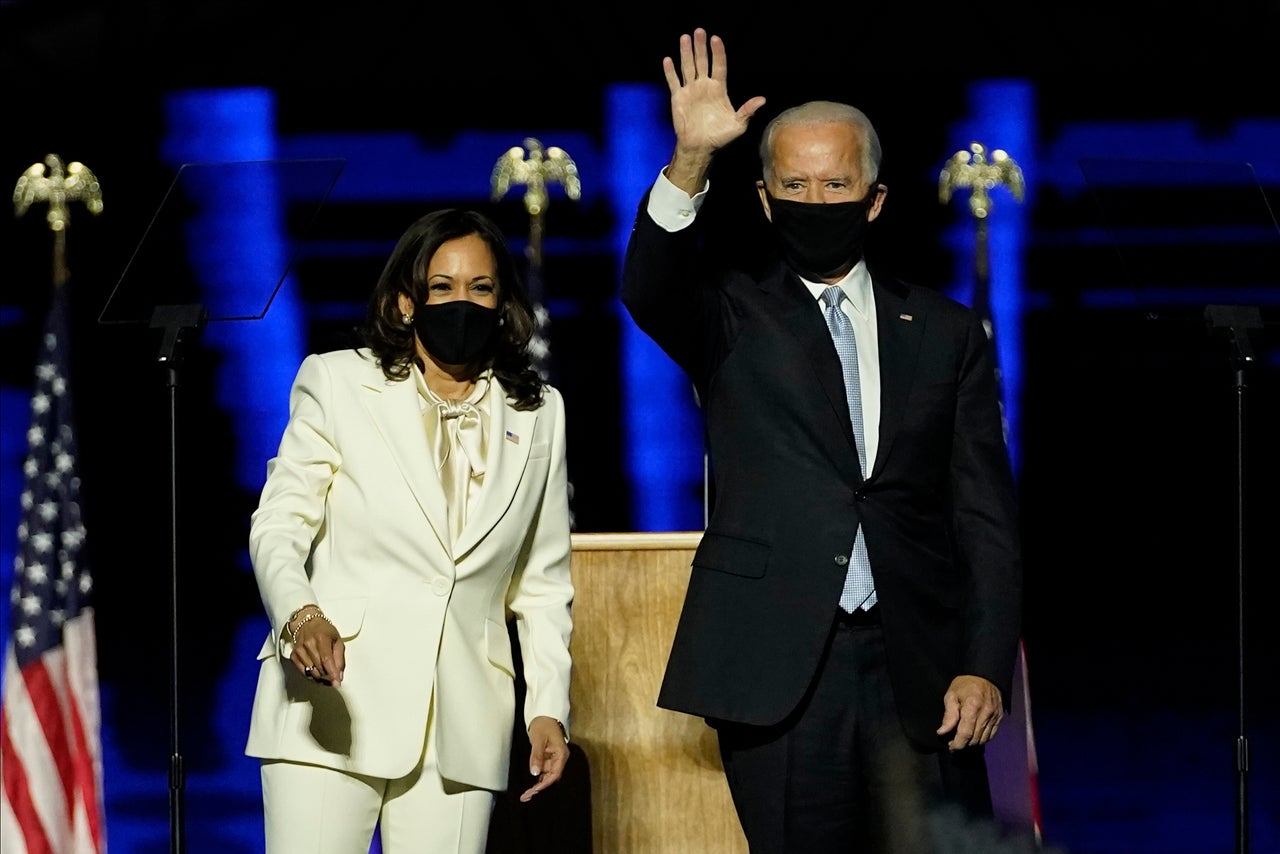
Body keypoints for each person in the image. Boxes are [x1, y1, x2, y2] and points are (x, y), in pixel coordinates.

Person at [620, 28, 1024, 853]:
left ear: (875, 199)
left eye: (835, 183)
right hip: (780, 668)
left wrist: (985, 663)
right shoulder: (730, 314)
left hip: (920, 670)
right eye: (793, 185)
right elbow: (650, 286)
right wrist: (691, 158)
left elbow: (984, 513)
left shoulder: (945, 333)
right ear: (764, 200)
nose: (815, 200)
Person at [244, 208, 574, 854]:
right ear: (405, 302)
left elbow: (542, 582)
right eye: (443, 288)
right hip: (334, 704)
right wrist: (299, 614)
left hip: (463, 724)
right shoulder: (338, 382)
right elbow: (279, 523)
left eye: (480, 288)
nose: (463, 302)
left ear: (503, 302)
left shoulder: (539, 412)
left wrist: (547, 707)